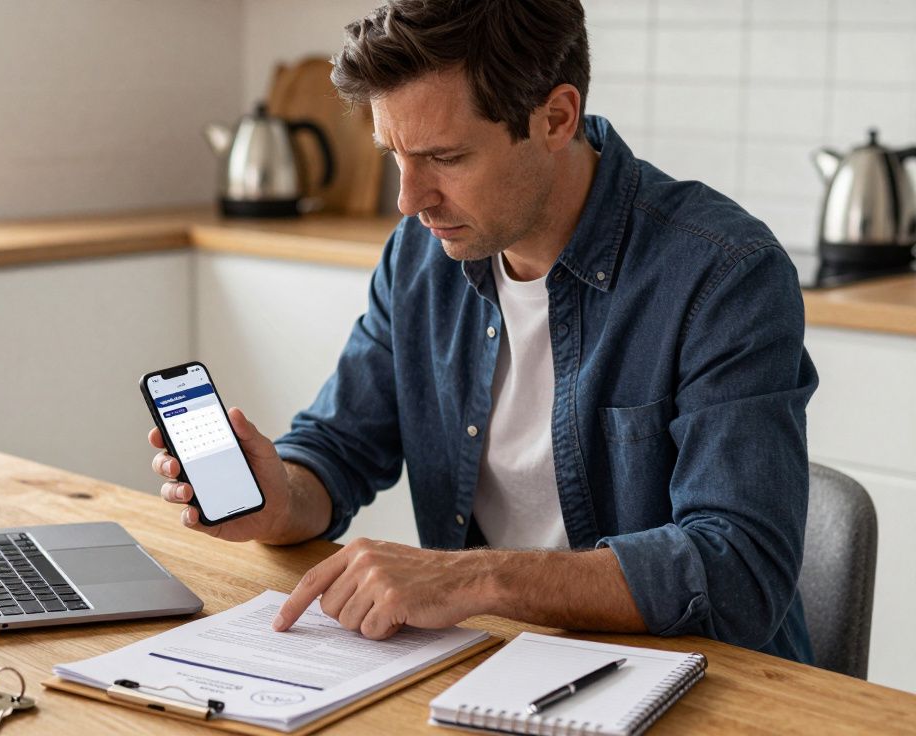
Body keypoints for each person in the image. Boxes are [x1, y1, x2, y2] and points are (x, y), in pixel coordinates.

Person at [149, 0, 817, 663]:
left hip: (699, 683)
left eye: (446, 157)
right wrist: (279, 499)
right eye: (395, 156)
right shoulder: (420, 257)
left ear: (556, 117)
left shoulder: (723, 274)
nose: (411, 200)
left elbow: (739, 571)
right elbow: (341, 448)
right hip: (492, 669)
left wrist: (470, 579)